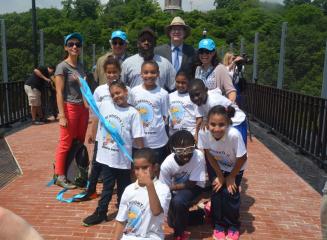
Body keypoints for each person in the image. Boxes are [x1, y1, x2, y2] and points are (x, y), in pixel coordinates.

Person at [83, 81, 145, 226]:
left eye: (118, 93)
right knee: (107, 187)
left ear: (126, 92)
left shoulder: (133, 113)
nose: (116, 96)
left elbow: (138, 138)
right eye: (113, 95)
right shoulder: (105, 105)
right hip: (106, 158)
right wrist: (81, 84)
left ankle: (126, 212)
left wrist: (141, 160)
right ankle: (101, 212)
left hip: (123, 160)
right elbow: (88, 104)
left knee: (124, 188)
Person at [197, 105, 247, 240]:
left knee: (230, 194)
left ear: (228, 124)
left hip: (235, 167)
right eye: (213, 124)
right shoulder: (204, 132)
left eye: (221, 125)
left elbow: (242, 158)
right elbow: (208, 154)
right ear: (207, 123)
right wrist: (219, 175)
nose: (217, 129)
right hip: (217, 166)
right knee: (217, 193)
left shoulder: (234, 135)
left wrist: (231, 177)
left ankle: (233, 226)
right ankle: (218, 225)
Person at [78, 56, 124, 201]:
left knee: (117, 162)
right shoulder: (99, 90)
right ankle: (90, 190)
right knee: (96, 162)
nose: (111, 75)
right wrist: (93, 132)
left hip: (118, 135)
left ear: (119, 72)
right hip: (102, 135)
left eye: (114, 72)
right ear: (104, 72)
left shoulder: (124, 89)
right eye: (108, 72)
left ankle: (120, 193)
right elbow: (94, 111)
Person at [54, 32, 89, 189]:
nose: (75, 46)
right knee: (65, 142)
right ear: (66, 47)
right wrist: (62, 115)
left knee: (79, 141)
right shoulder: (62, 67)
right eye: (71, 44)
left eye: (77, 44)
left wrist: (87, 107)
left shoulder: (81, 67)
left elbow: (84, 90)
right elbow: (59, 92)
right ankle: (59, 175)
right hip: (70, 108)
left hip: (82, 108)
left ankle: (73, 172)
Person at [113, 148, 171, 240]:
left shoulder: (163, 189)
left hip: (152, 237)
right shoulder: (129, 189)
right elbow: (121, 221)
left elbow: (156, 211)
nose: (140, 172)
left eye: (144, 167)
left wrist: (149, 185)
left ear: (155, 167)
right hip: (128, 237)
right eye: (137, 168)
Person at [159, 130, 206, 240]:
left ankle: (180, 234)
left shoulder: (198, 156)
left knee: (178, 202)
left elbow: (192, 183)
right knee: (172, 222)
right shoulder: (167, 165)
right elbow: (163, 190)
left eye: (189, 149)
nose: (185, 154)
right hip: (176, 189)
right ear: (173, 150)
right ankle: (202, 214)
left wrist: (171, 188)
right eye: (180, 150)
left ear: (194, 146)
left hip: (195, 186)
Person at [130, 60, 170, 165]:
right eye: (146, 72)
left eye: (153, 72)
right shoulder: (134, 92)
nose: (149, 75)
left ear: (158, 74)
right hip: (138, 141)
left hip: (157, 142)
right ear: (141, 74)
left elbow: (165, 117)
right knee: (138, 170)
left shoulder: (163, 94)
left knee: (156, 169)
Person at [188, 79, 247, 146]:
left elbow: (222, 118)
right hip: (224, 123)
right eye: (192, 96)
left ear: (206, 90)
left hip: (237, 121)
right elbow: (204, 119)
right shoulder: (199, 102)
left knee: (238, 148)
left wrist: (207, 123)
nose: (195, 98)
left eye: (197, 94)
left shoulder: (214, 102)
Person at [168, 71, 197, 136]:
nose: (180, 85)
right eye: (178, 82)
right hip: (173, 134)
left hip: (191, 134)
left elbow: (198, 117)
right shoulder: (170, 96)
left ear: (189, 82)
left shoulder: (193, 96)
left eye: (183, 83)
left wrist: (196, 134)